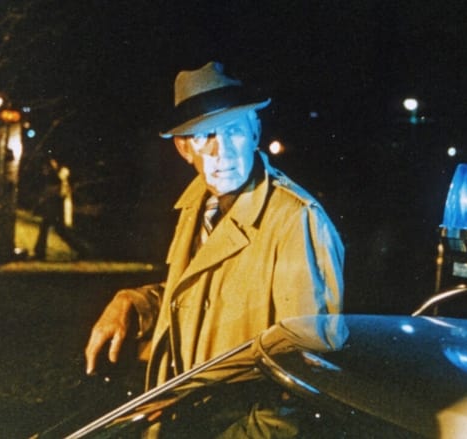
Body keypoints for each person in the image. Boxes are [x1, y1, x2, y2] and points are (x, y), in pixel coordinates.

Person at [84, 61, 344, 391]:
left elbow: (308, 361)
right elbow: (206, 296)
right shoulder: (198, 204)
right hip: (184, 407)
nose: (221, 152)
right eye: (205, 135)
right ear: (183, 148)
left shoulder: (296, 220)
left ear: (254, 133)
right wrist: (133, 303)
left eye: (234, 130)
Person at [32, 157, 88, 260]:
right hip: (54, 207)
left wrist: (45, 198)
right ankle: (39, 252)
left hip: (56, 208)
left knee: (60, 231)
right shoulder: (57, 175)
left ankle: (83, 250)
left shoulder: (58, 176)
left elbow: (58, 192)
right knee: (47, 229)